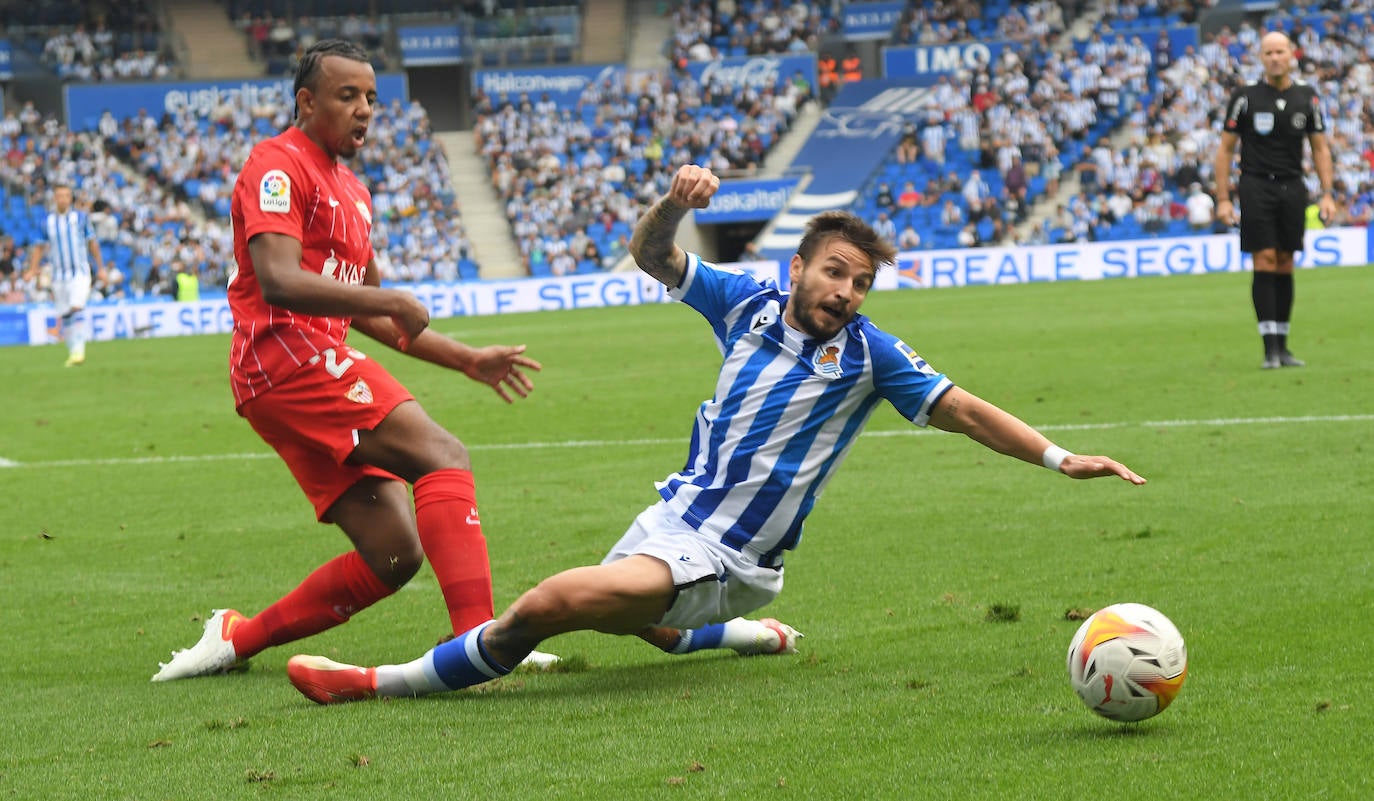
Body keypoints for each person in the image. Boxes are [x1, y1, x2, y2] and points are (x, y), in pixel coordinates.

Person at [283, 164, 1147, 705]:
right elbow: (653, 256)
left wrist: (1058, 455)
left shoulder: (869, 356)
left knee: (548, 604)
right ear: (798, 266)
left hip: (729, 559)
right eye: (835, 271)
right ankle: (749, 634)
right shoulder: (746, 303)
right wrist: (671, 205)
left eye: (863, 282)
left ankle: (376, 684)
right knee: (645, 626)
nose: (847, 291)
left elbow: (963, 408)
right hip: (675, 522)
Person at [151, 39, 557, 683]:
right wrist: (388, 293)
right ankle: (481, 647)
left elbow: (373, 318)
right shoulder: (277, 167)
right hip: (287, 360)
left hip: (298, 371)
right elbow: (280, 279)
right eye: (348, 96)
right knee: (443, 455)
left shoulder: (354, 192)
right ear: (307, 101)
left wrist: (467, 359)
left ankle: (234, 639)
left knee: (394, 554)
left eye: (371, 98)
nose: (364, 110)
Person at [1214, 31, 1338, 369]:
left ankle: (1283, 345)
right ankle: (1268, 348)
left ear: (1291, 55)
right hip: (1255, 185)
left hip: (1292, 186)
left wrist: (1327, 194)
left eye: (1280, 51)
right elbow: (1225, 150)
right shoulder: (1245, 97)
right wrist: (1223, 199)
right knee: (1265, 258)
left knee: (1285, 260)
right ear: (1261, 57)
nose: (1274, 58)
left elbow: (1320, 148)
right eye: (1268, 52)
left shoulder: (1307, 98)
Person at [23, 183, 106, 366]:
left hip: (80, 273)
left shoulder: (81, 219)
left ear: (70, 198)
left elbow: (92, 243)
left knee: (76, 307)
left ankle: (79, 351)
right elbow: (39, 247)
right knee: (65, 315)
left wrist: (101, 268)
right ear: (54, 198)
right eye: (59, 195)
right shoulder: (47, 222)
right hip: (58, 276)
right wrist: (32, 269)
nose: (62, 199)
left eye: (66, 195)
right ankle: (74, 353)